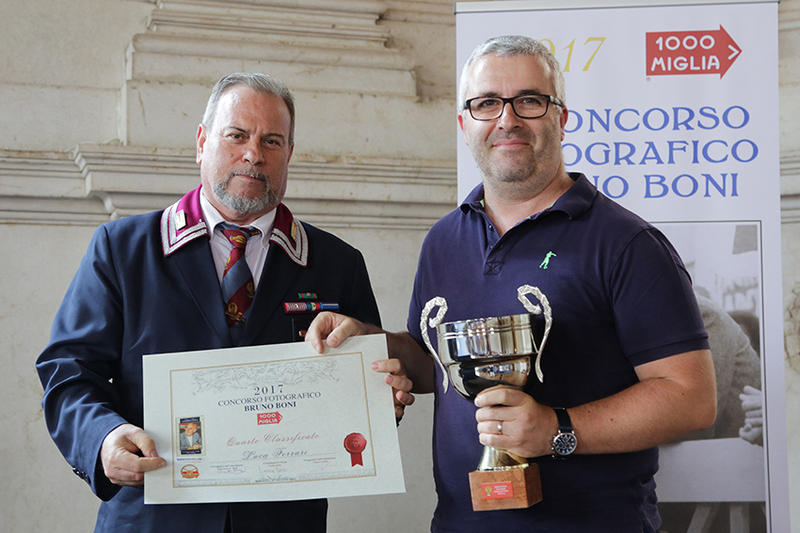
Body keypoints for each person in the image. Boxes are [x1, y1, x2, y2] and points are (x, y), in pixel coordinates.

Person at [306, 35, 716, 533]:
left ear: (561, 118)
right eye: (486, 103)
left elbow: (692, 397)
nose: (507, 119)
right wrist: (367, 344)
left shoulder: (627, 243)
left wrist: (557, 430)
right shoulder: (443, 240)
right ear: (465, 124)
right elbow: (433, 361)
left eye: (529, 100)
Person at [36, 72, 405, 533]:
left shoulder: (337, 263)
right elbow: (68, 372)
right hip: (154, 518)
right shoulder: (121, 249)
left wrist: (380, 402)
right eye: (237, 135)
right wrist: (103, 438)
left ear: (289, 154)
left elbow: (367, 399)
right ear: (201, 142)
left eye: (272, 141)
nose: (254, 154)